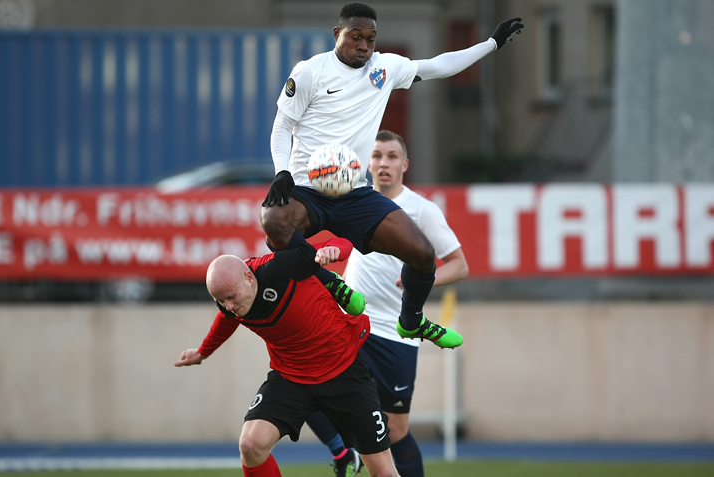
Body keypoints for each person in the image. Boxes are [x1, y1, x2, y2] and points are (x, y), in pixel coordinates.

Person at [261, 2, 522, 350]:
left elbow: (438, 66)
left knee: (423, 254)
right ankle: (331, 282)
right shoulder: (310, 72)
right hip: (308, 188)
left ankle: (411, 320)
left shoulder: (384, 68)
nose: (364, 46)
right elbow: (283, 127)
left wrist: (490, 43)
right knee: (274, 222)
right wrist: (281, 172)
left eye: (370, 39)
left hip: (354, 191)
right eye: (356, 37)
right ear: (338, 34)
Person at [307, 130, 469, 476]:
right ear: (366, 162)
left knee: (394, 431)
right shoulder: (353, 199)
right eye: (377, 155)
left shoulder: (422, 210)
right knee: (305, 386)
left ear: (404, 164)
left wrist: (422, 277)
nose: (383, 162)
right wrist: (328, 251)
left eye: (392, 156)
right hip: (349, 322)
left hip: (396, 332)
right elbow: (346, 242)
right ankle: (341, 453)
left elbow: (459, 265)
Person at [174, 235, 399, 477]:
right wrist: (202, 352)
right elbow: (226, 320)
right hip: (292, 378)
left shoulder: (281, 266)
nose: (228, 305)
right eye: (221, 301)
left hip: (344, 372)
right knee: (251, 444)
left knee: (383, 473)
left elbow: (344, 241)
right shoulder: (231, 302)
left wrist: (333, 250)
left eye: (231, 297)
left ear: (249, 278)